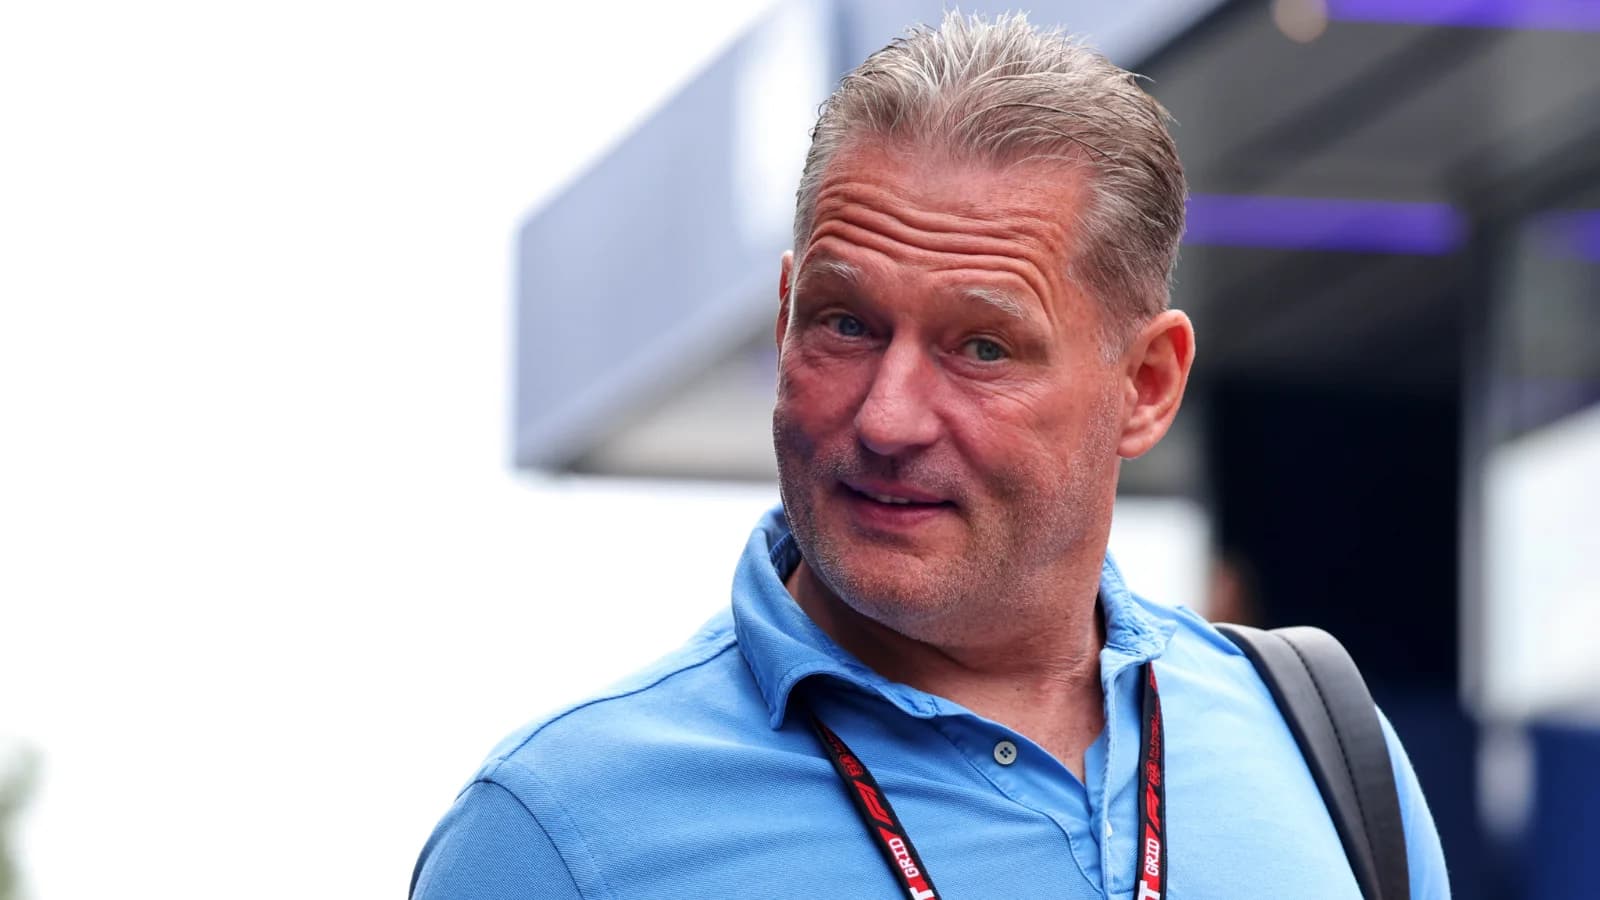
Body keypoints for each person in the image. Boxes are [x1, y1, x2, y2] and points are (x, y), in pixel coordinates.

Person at [412, 12, 1449, 899]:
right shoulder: (558, 834)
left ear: (1146, 386)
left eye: (981, 347)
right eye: (845, 324)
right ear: (784, 316)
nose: (888, 419)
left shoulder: (1320, 754)